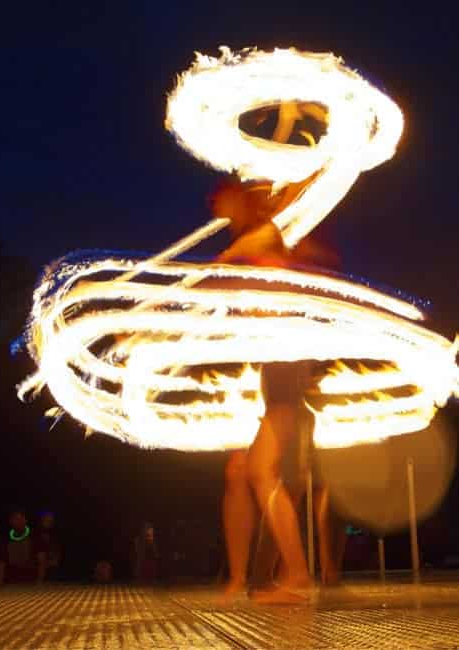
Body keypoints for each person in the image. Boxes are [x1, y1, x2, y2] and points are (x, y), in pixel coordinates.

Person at [210, 101, 340, 604]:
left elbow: (301, 182)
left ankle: (298, 576)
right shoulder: (254, 237)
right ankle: (284, 575)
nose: (218, 203)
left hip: (286, 371)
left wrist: (298, 117)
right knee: (252, 471)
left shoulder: (267, 234)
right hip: (274, 371)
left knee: (262, 471)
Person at [0, 508, 39, 585]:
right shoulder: (5, 539)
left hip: (31, 581)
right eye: (15, 519)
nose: (19, 521)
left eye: (21, 518)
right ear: (11, 521)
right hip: (10, 581)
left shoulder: (35, 536)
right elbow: (2, 563)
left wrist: (39, 581)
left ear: (26, 520)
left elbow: (42, 560)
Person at [32, 511, 61, 582]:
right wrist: (39, 579)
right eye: (46, 520)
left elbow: (58, 552)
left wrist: (55, 560)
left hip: (53, 570)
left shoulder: (55, 535)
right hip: (38, 569)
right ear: (41, 520)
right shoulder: (36, 534)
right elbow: (40, 558)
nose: (49, 522)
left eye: (51, 521)